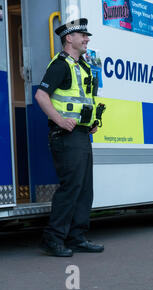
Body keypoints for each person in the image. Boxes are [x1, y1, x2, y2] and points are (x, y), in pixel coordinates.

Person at [35, 18, 104, 256]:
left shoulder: (81, 66)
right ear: (69, 39)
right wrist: (59, 119)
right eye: (83, 36)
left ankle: (76, 237)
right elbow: (41, 96)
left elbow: (82, 101)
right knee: (71, 187)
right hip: (66, 136)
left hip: (82, 135)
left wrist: (91, 123)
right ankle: (53, 239)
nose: (87, 39)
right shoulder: (60, 65)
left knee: (84, 188)